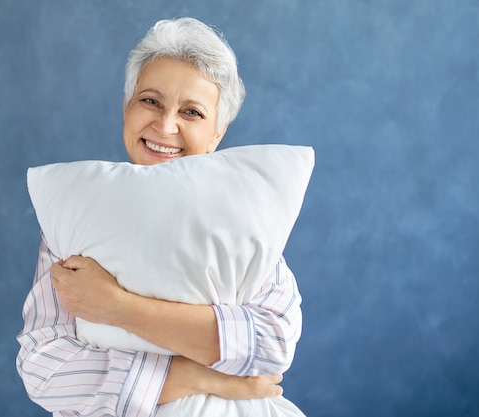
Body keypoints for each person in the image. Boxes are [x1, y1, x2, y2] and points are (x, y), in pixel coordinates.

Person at [16, 17, 303, 417]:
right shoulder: (79, 209)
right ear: (126, 108)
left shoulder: (243, 218)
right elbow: (44, 367)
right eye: (150, 101)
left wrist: (116, 306)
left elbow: (271, 346)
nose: (166, 125)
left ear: (218, 133)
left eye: (192, 112)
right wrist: (197, 376)